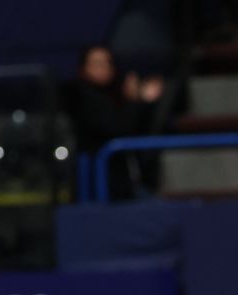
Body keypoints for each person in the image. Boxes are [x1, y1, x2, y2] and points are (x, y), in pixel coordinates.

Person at [66, 45, 166, 199]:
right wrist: (139, 101)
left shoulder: (115, 94)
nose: (104, 68)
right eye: (97, 63)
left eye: (108, 63)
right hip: (99, 185)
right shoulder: (82, 96)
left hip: (124, 181)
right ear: (83, 68)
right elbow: (118, 127)